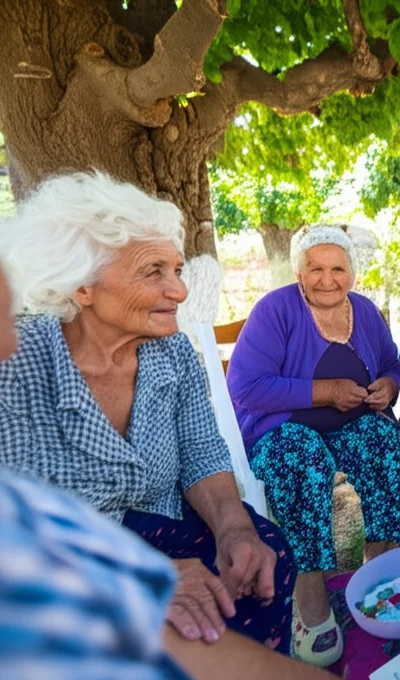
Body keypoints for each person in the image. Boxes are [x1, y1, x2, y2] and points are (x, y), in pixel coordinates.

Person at [0, 173, 297, 657]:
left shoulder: (172, 353)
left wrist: (234, 526)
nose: (179, 291)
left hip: (158, 522)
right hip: (57, 564)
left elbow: (202, 453)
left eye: (177, 270)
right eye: (153, 271)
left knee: (262, 552)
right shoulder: (16, 364)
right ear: (82, 286)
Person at [227, 224, 400, 665]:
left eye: (338, 269)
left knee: (382, 436)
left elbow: (390, 362)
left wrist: (387, 384)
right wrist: (326, 392)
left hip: (348, 426)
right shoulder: (276, 310)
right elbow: (245, 386)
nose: (327, 279)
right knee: (302, 457)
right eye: (316, 269)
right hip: (280, 430)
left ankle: (380, 565)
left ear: (353, 273)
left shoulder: (363, 311)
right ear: (299, 273)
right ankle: (309, 591)